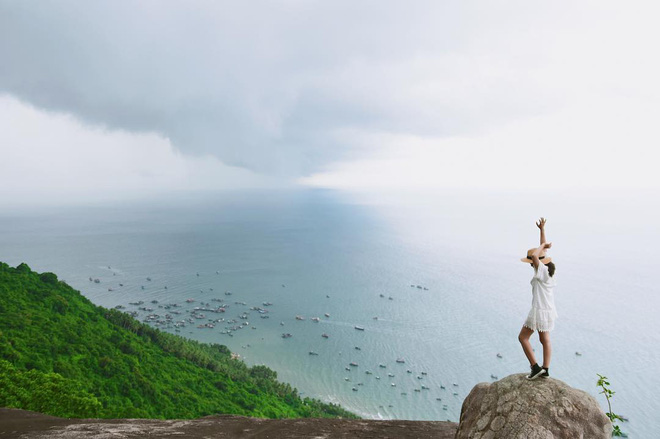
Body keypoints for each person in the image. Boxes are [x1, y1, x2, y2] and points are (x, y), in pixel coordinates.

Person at [518, 217, 557, 380]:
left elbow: (536, 255)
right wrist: (542, 231)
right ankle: (545, 369)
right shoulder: (548, 271)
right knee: (544, 339)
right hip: (548, 310)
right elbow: (540, 254)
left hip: (539, 310)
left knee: (523, 337)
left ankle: (535, 367)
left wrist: (542, 246)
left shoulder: (541, 271)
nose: (530, 263)